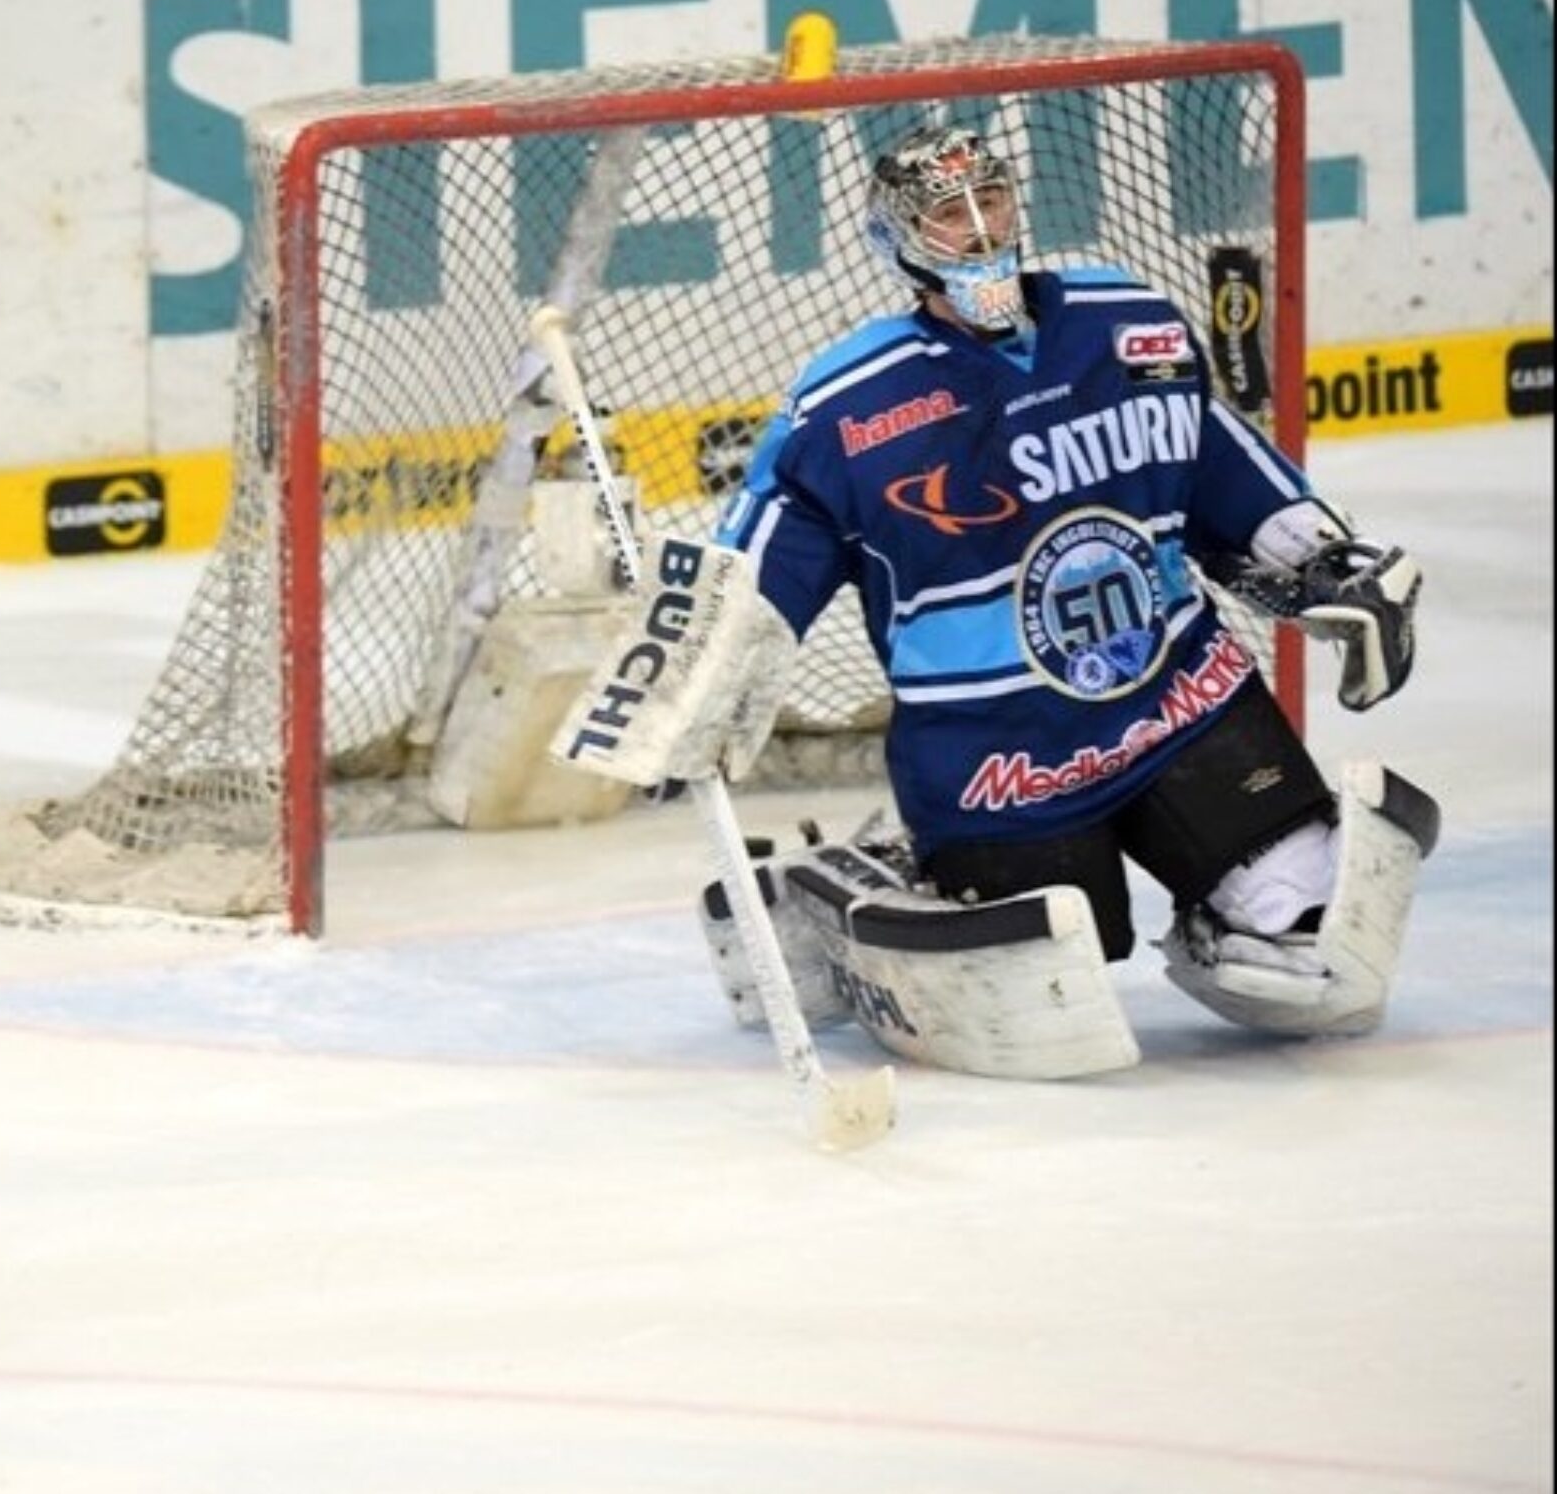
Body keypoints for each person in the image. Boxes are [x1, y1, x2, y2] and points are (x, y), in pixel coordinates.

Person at [562, 123, 1436, 1066]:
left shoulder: (1127, 321)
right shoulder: (850, 403)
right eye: (947, 212)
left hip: (1185, 704)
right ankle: (880, 872)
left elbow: (1215, 466)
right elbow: (758, 573)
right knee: (1046, 976)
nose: (979, 229)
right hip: (998, 762)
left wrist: (1321, 558)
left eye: (992, 198)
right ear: (897, 240)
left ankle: (1218, 887)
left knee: (1317, 954)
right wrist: (690, 677)